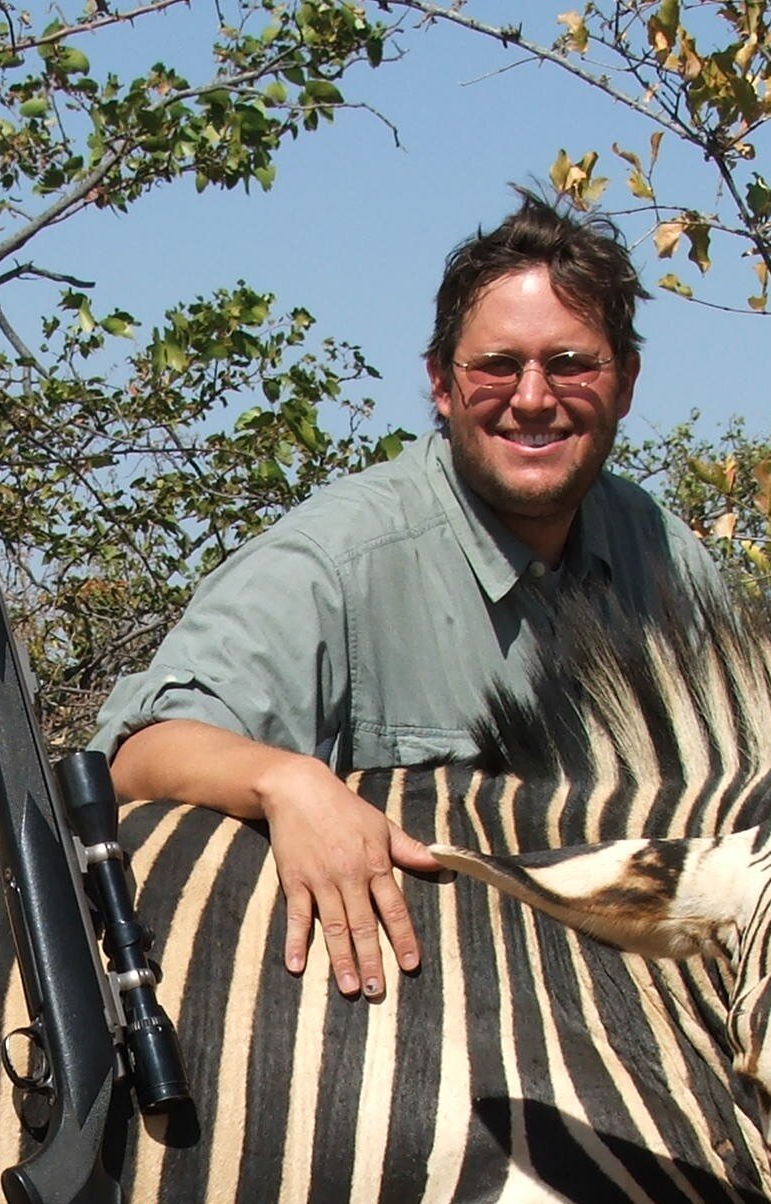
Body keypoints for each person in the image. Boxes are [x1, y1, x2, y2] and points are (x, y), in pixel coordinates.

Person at [91, 190, 728, 1000]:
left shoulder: (672, 564)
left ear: (625, 381)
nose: (533, 397)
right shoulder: (337, 556)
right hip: (418, 1037)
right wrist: (287, 782)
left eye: (570, 363)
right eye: (498, 365)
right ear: (441, 383)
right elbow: (136, 754)